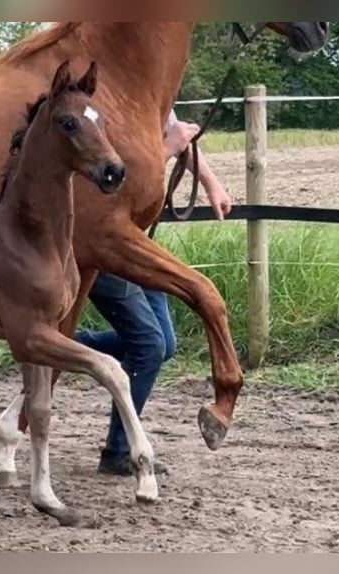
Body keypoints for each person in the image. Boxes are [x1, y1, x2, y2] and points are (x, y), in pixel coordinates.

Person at [74, 109, 232, 477]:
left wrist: (211, 184)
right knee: (149, 346)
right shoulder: (104, 109)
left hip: (137, 245)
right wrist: (167, 148)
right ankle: (117, 451)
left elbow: (181, 139)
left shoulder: (150, 94)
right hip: (105, 245)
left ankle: (63, 344)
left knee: (166, 345)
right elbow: (108, 185)